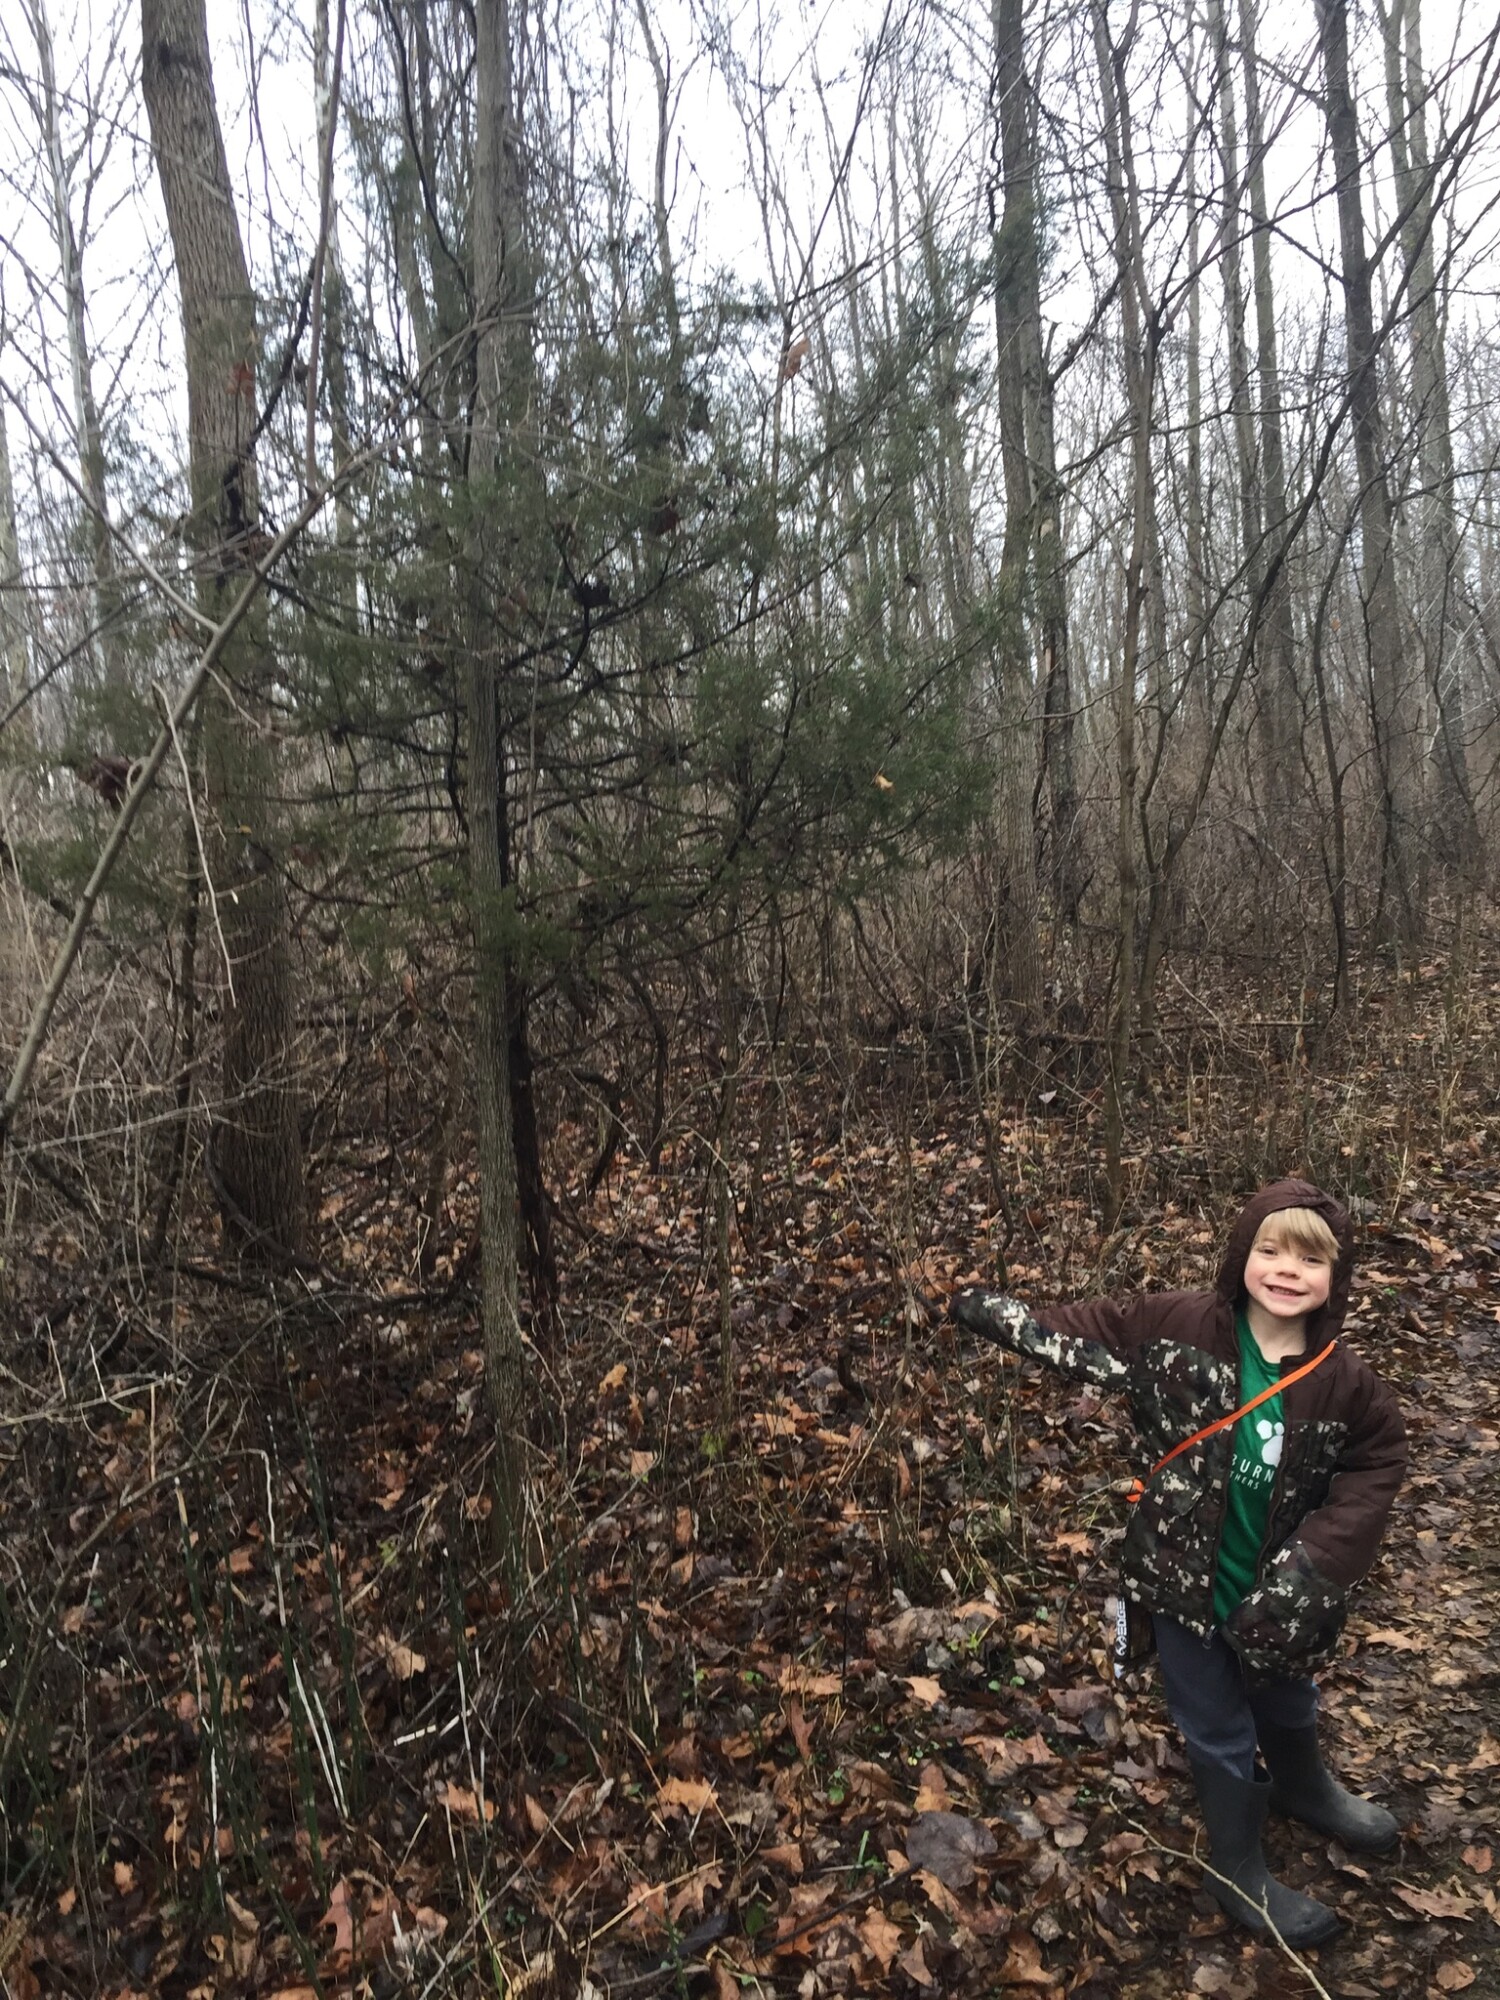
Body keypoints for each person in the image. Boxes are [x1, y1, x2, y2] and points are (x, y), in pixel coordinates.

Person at [952, 1179, 1407, 1946]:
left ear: (1337, 1277)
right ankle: (1237, 1865)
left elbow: (1378, 1461)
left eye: (1310, 1259)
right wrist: (989, 1311)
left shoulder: (1345, 1381)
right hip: (1182, 1582)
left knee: (1287, 1692)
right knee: (1216, 1720)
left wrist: (1320, 1559)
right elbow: (1091, 1330)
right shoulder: (1179, 1327)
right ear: (1242, 1256)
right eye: (1271, 1251)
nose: (1287, 1271)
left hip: (1283, 1590)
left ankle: (1304, 1785)